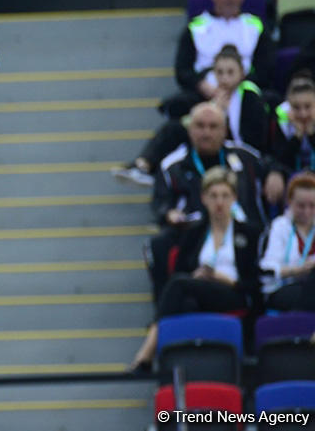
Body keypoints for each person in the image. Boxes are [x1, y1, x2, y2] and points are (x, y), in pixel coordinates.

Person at [129, 167, 262, 372]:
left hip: (234, 291)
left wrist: (221, 278)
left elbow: (257, 282)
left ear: (234, 198)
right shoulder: (194, 233)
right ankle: (184, 366)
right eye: (213, 196)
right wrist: (197, 276)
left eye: (225, 195)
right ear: (203, 198)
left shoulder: (250, 233)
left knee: (179, 286)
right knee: (184, 299)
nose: (219, 202)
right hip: (199, 290)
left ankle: (146, 353)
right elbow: (181, 270)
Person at [147, 102, 264, 300]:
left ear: (225, 130)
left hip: (244, 228)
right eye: (200, 126)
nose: (206, 133)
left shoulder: (245, 158)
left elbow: (272, 165)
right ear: (190, 130)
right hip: (194, 230)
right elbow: (161, 202)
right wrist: (169, 213)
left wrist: (276, 173)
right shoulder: (172, 165)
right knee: (160, 244)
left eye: (213, 126)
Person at [118, 45, 269, 186]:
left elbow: (255, 137)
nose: (224, 78)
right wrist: (212, 107)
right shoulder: (208, 93)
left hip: (241, 152)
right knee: (174, 128)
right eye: (219, 72)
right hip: (208, 149)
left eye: (230, 73)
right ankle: (144, 165)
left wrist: (222, 116)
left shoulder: (250, 96)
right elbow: (174, 108)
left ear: (242, 73)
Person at [164, 0, 273, 119]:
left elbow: (266, 69)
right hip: (204, 93)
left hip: (246, 92)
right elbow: (183, 70)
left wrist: (235, 88)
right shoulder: (195, 27)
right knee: (177, 105)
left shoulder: (256, 26)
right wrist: (205, 88)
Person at [259, 172, 315, 311]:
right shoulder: (279, 226)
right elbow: (267, 269)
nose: (307, 212)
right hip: (283, 288)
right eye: (301, 206)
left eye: (312, 206)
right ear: (289, 202)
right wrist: (297, 270)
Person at [265, 75, 315, 218]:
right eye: (296, 108)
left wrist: (312, 135)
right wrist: (297, 137)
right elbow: (277, 157)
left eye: (308, 107)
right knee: (274, 178)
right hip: (292, 174)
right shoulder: (282, 121)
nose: (303, 113)